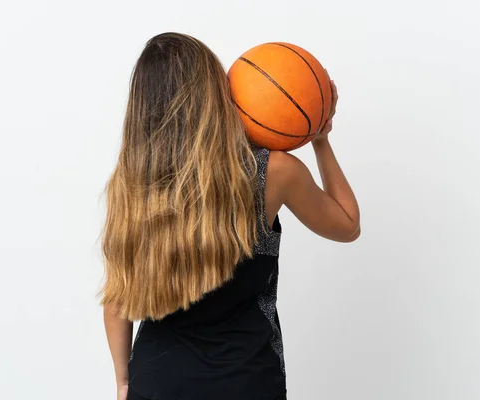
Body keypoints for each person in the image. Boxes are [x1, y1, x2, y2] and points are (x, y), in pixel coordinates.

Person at [100, 32, 360, 400]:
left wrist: (124, 381)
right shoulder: (272, 172)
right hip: (247, 382)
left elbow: (116, 303)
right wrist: (320, 139)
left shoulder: (131, 189)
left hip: (156, 383)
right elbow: (348, 225)